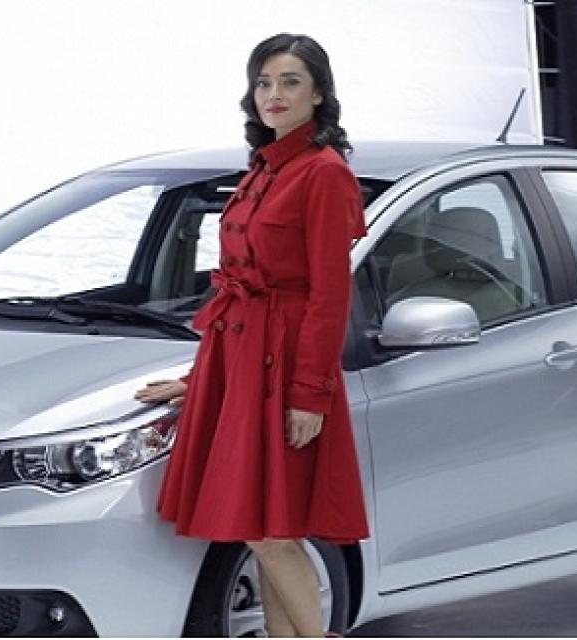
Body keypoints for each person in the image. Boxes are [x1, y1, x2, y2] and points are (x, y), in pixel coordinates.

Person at [135, 32, 370, 638]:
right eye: (264, 82)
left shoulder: (323, 174)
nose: (273, 94)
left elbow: (328, 296)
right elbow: (237, 294)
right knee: (263, 529)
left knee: (271, 534)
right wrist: (201, 378)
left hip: (286, 367)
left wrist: (309, 394)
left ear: (318, 94)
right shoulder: (266, 166)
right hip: (244, 363)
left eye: (290, 81)